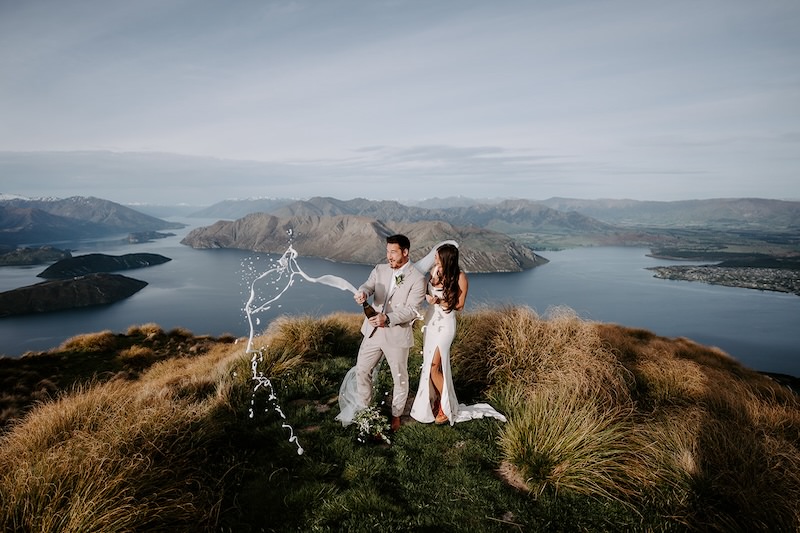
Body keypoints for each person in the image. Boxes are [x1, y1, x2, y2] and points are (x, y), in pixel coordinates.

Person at [410, 243, 507, 426]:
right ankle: (437, 401)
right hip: (430, 322)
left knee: (434, 366)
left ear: (447, 259)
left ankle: (445, 409)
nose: (435, 259)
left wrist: (437, 300)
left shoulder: (460, 277)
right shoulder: (433, 271)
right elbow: (422, 289)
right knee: (430, 365)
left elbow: (460, 306)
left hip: (446, 325)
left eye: (438, 257)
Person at [351, 234, 426, 433]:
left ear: (405, 252)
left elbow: (412, 310)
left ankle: (396, 414)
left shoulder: (418, 279)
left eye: (393, 252)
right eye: (387, 251)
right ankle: (366, 411)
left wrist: (388, 318)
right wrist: (363, 293)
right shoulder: (380, 269)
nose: (389, 256)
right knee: (362, 370)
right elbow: (368, 285)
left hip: (397, 334)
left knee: (399, 377)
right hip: (373, 332)